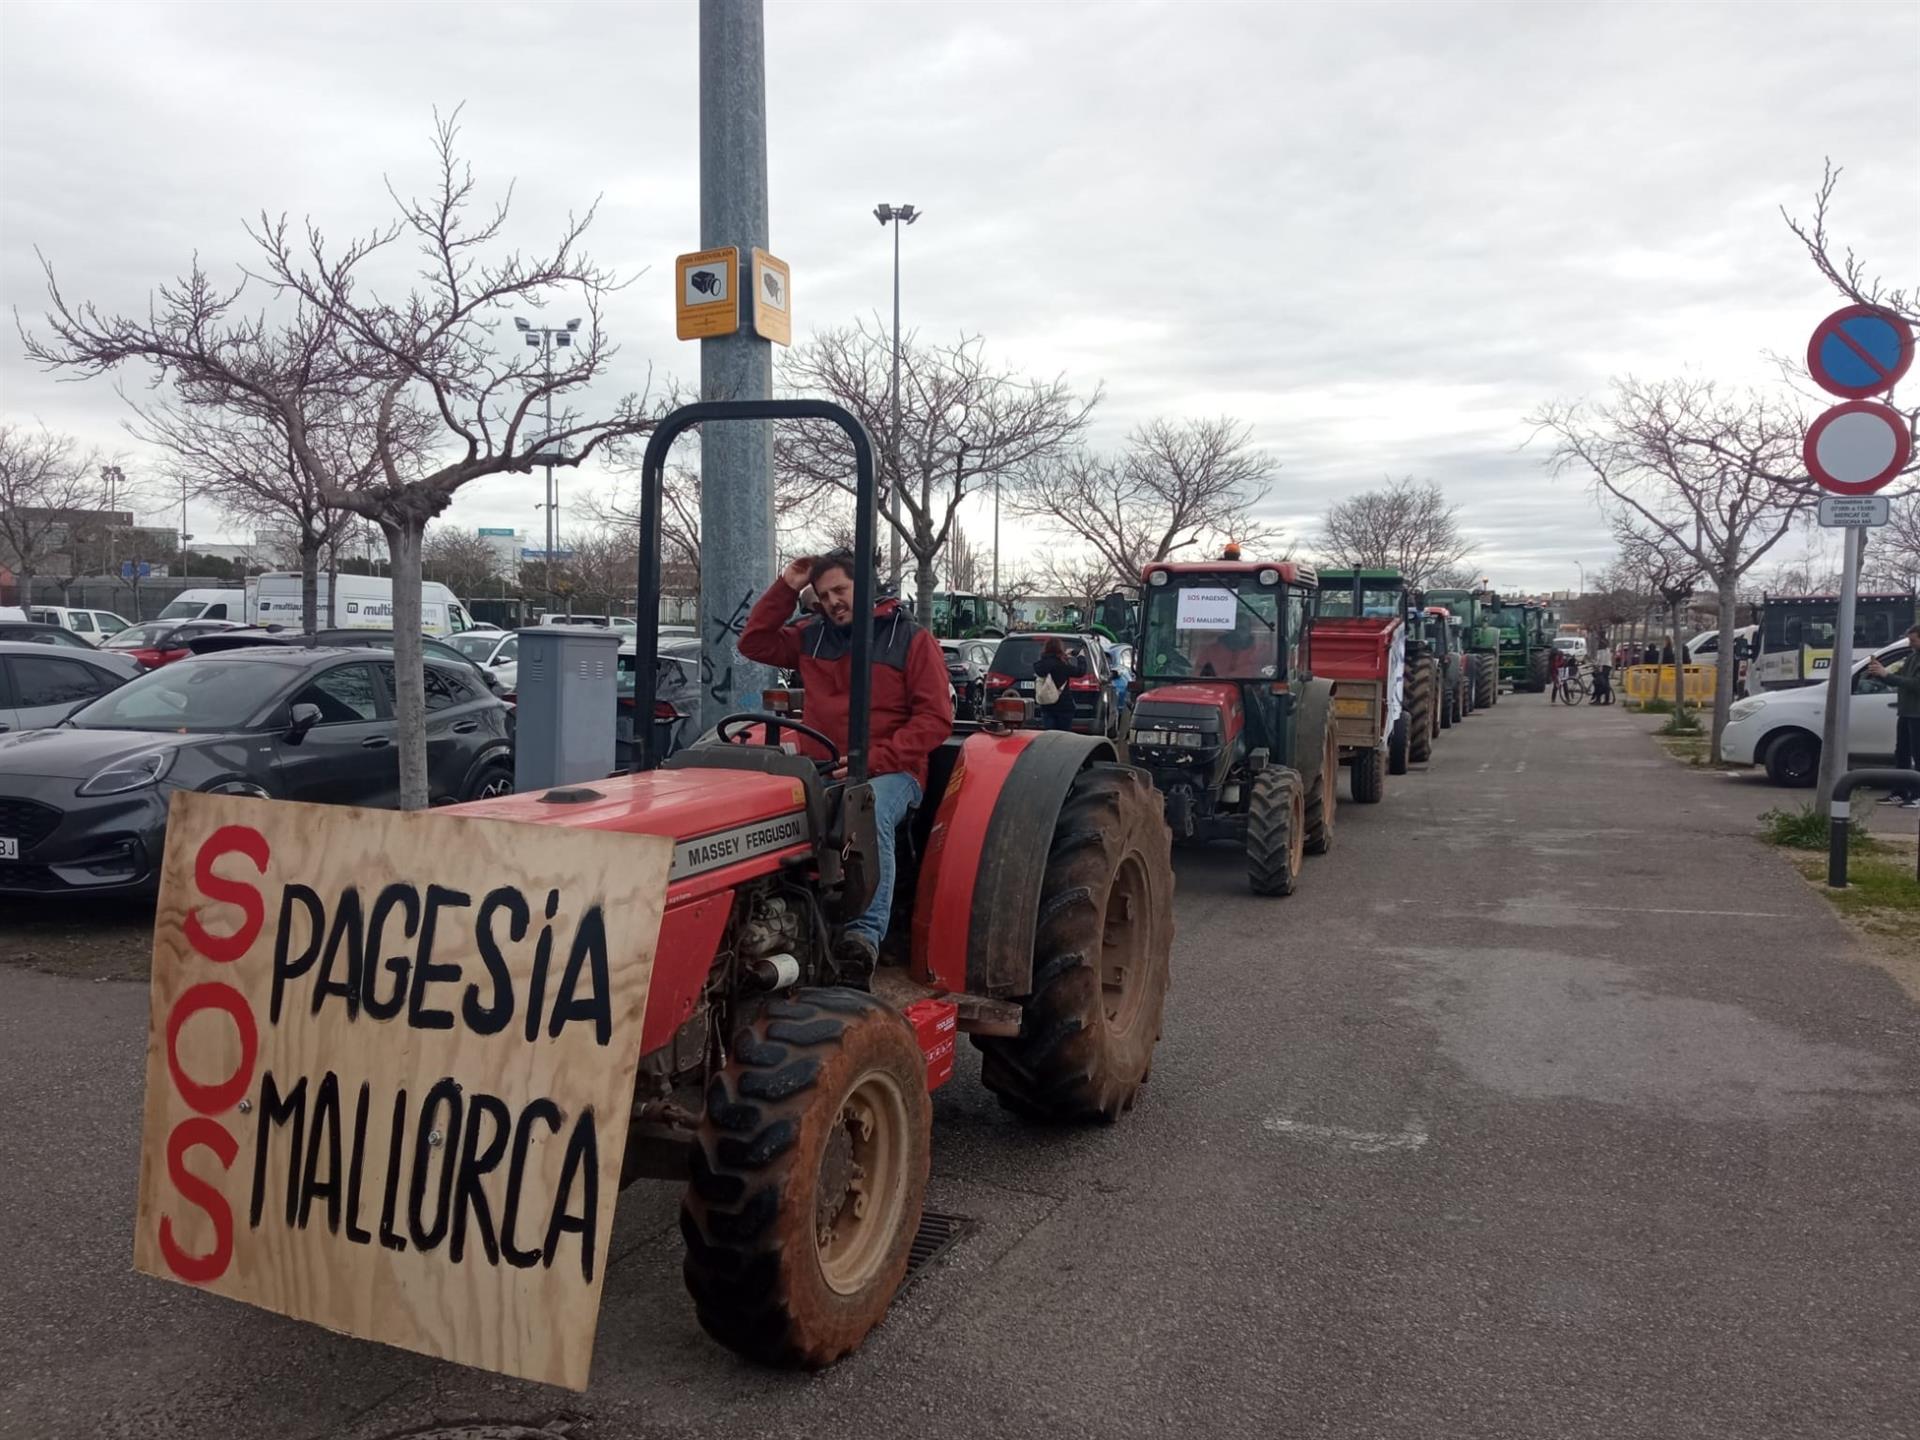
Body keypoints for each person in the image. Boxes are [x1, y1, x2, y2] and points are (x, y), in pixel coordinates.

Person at [739, 550, 954, 974]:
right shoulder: (812, 636)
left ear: (866, 587)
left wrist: (874, 761)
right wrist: (787, 586)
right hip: (821, 767)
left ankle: (862, 939)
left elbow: (935, 720)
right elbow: (754, 642)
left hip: (894, 772)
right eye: (823, 594)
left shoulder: (909, 639)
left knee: (864, 806)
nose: (833, 600)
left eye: (841, 589)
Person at [1866, 624, 1920, 809]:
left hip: (1917, 714)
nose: (1911, 644)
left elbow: (1915, 684)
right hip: (1905, 712)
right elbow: (1898, 677)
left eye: (1914, 640)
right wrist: (1879, 673)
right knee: (1902, 753)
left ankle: (1918, 795)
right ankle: (1900, 791)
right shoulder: (1912, 658)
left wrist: (1887, 675)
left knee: (1918, 755)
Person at [1032, 637, 1085, 732]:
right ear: (1060, 649)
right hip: (1064, 707)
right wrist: (1081, 657)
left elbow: (1048, 666)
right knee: (1063, 736)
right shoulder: (1062, 666)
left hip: (1047, 706)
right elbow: (1080, 672)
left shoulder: (1040, 665)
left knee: (1049, 735)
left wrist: (1063, 657)